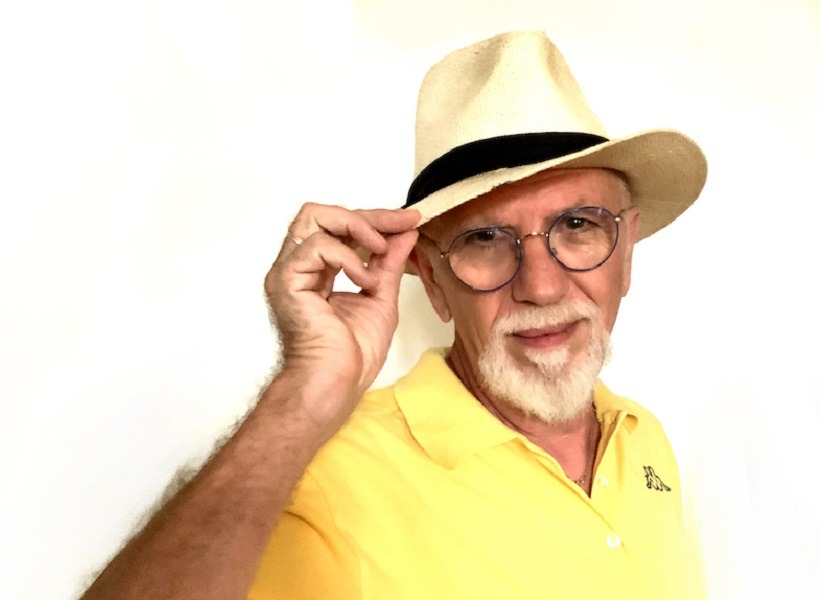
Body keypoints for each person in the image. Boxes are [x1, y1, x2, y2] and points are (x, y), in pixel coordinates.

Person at [81, 30, 707, 600]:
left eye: (578, 225)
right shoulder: (329, 482)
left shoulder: (643, 440)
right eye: (484, 239)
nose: (541, 287)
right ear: (432, 281)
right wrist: (302, 395)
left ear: (627, 250)